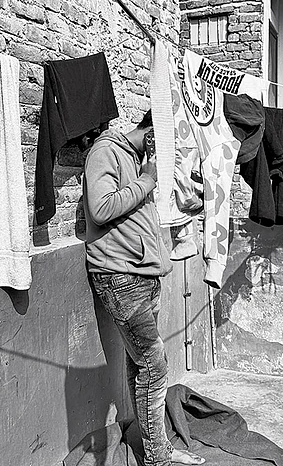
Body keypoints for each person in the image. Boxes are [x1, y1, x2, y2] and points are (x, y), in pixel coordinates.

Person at [83, 111, 205, 466]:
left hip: (144, 275)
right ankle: (158, 458)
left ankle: (156, 449)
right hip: (121, 277)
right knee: (154, 365)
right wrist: (147, 180)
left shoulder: (139, 161)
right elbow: (100, 208)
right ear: (151, 135)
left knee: (142, 367)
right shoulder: (105, 151)